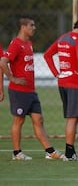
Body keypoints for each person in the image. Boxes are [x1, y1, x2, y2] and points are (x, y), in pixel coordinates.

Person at [0, 17, 63, 161]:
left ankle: (50, 151)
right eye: (31, 25)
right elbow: (3, 62)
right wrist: (12, 78)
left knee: (39, 119)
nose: (34, 28)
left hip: (31, 91)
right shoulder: (16, 44)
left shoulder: (28, 43)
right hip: (19, 91)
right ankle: (17, 153)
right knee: (19, 121)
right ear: (23, 27)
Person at [43, 15, 78, 161]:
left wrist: (56, 73)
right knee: (73, 118)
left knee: (73, 117)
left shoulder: (63, 38)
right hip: (75, 82)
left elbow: (48, 55)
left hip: (63, 81)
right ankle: (70, 154)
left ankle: (70, 151)